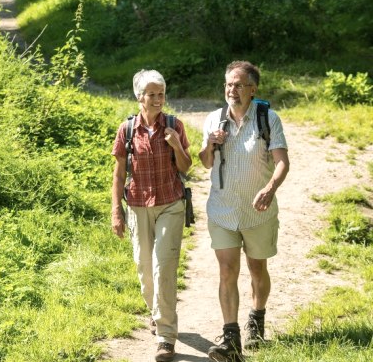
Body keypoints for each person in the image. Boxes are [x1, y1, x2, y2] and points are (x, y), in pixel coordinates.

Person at [198, 61, 290, 362]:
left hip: (257, 211)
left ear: (253, 89)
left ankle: (257, 318)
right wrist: (210, 144)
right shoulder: (214, 119)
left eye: (238, 85)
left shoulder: (267, 119)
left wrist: (270, 188)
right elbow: (205, 162)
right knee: (227, 271)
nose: (231, 90)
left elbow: (281, 162)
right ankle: (231, 337)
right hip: (222, 210)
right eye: (228, 84)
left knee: (257, 270)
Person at [111, 69, 192, 362]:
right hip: (137, 205)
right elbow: (119, 175)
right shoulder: (127, 130)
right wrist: (115, 211)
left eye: (161, 94)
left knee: (164, 268)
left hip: (171, 203)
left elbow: (186, 167)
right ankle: (157, 314)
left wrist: (175, 145)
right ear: (139, 97)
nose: (158, 99)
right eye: (152, 95)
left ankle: (166, 338)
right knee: (145, 270)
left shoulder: (175, 125)